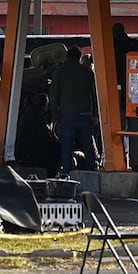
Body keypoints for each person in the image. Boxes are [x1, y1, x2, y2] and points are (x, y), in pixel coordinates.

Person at [48, 45, 98, 177]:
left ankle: (66, 174)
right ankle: (92, 173)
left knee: (67, 146)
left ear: (66, 56)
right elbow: (94, 95)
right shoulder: (87, 72)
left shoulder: (59, 72)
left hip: (67, 115)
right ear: (79, 57)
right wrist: (95, 115)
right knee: (88, 146)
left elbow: (53, 95)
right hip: (85, 114)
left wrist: (54, 117)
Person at [111, 23, 138, 168]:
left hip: (115, 95)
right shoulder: (137, 45)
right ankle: (135, 164)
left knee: (116, 132)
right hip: (137, 95)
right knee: (135, 132)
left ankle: (120, 162)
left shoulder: (110, 47)